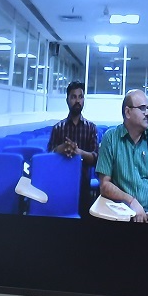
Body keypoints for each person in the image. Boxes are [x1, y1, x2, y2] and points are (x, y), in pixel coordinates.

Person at [96, 89, 148, 223]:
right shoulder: (111, 139)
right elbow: (104, 185)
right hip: (120, 214)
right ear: (128, 112)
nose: (147, 113)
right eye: (142, 108)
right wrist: (131, 202)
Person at [46, 81, 99, 216]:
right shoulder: (58, 128)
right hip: (60, 183)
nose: (77, 101)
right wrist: (59, 150)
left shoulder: (91, 128)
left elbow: (95, 158)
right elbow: (47, 158)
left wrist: (78, 152)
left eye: (80, 97)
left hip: (83, 183)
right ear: (67, 100)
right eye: (73, 97)